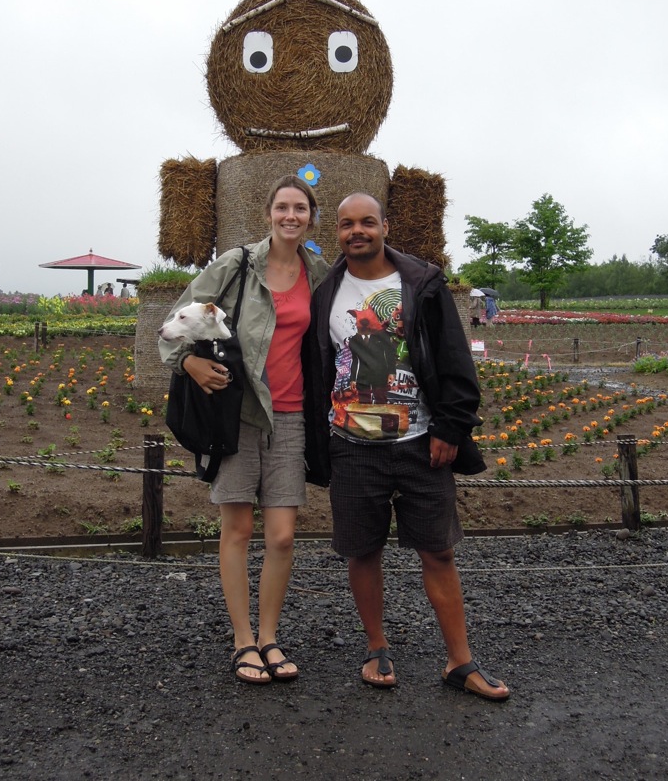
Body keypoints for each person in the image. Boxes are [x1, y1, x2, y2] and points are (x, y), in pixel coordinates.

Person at [309, 193, 509, 700]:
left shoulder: (421, 283)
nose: (358, 231)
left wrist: (451, 427)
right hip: (351, 445)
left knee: (439, 551)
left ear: (385, 227)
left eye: (368, 222)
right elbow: (318, 368)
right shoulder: (326, 292)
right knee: (362, 551)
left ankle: (460, 661)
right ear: (337, 232)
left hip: (421, 442)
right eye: (347, 224)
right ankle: (377, 646)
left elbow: (454, 358)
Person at [159, 175, 328, 684]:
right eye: (282, 207)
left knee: (281, 535)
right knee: (236, 529)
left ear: (311, 217)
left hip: (291, 415)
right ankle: (242, 641)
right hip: (237, 413)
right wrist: (187, 364)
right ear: (269, 213)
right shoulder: (236, 265)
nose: (290, 216)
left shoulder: (317, 273)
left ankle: (270, 636)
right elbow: (175, 321)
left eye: (300, 208)